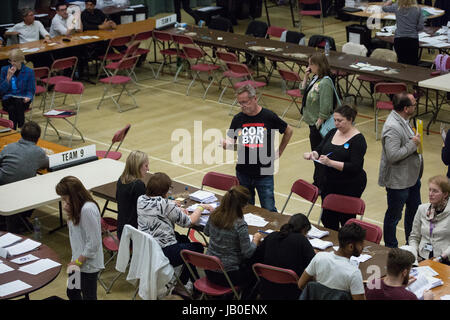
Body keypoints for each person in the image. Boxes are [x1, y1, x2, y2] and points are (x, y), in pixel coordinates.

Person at [222, 84, 293, 212]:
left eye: (245, 102)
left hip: (264, 173)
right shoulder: (238, 119)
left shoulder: (268, 116)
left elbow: (288, 130)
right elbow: (231, 141)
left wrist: (280, 152)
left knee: (269, 209)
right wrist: (227, 145)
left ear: (254, 99)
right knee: (246, 209)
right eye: (240, 103)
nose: (242, 105)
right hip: (243, 172)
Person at [137, 172, 213, 287]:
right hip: (163, 251)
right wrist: (201, 207)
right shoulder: (165, 205)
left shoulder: (141, 199)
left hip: (147, 247)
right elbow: (189, 222)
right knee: (197, 248)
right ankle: (181, 283)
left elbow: (157, 205)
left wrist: (171, 204)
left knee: (184, 239)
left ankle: (192, 280)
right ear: (164, 191)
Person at [303, 105, 367, 230]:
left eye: (340, 121)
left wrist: (331, 163)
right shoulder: (332, 132)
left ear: (350, 120)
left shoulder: (358, 140)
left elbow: (355, 166)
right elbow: (320, 149)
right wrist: (313, 154)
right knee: (327, 218)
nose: (336, 123)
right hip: (329, 182)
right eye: (335, 120)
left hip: (348, 185)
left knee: (345, 219)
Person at [379, 92, 422, 248]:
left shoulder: (403, 119)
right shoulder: (392, 127)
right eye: (413, 105)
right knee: (394, 216)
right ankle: (391, 247)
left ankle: (411, 244)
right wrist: (413, 144)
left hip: (411, 178)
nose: (415, 107)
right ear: (406, 108)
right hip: (398, 181)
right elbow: (392, 155)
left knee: (414, 213)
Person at [203, 185, 263, 298]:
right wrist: (255, 240)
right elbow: (248, 253)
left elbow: (206, 232)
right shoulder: (240, 224)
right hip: (229, 275)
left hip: (209, 270)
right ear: (243, 205)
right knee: (256, 271)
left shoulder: (215, 214)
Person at [55, 176, 104, 300]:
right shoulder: (76, 208)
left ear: (74, 195)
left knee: (89, 296)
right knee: (72, 293)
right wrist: (69, 214)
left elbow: (94, 242)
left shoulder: (87, 209)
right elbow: (75, 232)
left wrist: (78, 262)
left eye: (65, 198)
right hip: (76, 261)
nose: (64, 202)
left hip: (87, 265)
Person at [251, 213, 315, 300]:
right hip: (291, 292)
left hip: (266, 289)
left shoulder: (272, 235)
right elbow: (313, 265)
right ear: (304, 229)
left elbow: (256, 258)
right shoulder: (301, 240)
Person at [0, 121, 48, 233]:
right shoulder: (38, 152)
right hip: (23, 192)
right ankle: (20, 218)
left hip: (3, 187)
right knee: (41, 187)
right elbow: (47, 164)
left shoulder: (9, 148)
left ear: (21, 134)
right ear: (37, 138)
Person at [297, 222, 366, 300]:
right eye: (361, 244)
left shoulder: (319, 257)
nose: (363, 247)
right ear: (350, 247)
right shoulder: (354, 273)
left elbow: (301, 284)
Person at [300, 52, 335, 188]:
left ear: (318, 65)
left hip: (319, 125)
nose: (309, 67)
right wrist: (306, 76)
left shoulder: (325, 82)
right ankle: (318, 180)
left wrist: (318, 124)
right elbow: (303, 91)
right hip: (312, 123)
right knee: (315, 153)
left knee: (319, 154)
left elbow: (326, 106)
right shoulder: (315, 78)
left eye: (311, 64)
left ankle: (321, 183)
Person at [408, 175, 450, 265]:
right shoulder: (422, 209)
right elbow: (414, 237)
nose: (430, 194)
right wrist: (413, 254)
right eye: (430, 190)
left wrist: (441, 257)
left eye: (435, 191)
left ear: (445, 194)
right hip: (422, 258)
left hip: (445, 259)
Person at [366, 248, 434, 300]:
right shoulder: (409, 297)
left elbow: (389, 291)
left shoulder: (373, 284)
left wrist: (402, 286)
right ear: (404, 272)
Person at [116, 150, 148, 240]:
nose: (148, 169)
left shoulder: (121, 180)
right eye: (146, 166)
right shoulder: (138, 185)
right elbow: (145, 211)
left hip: (122, 230)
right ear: (138, 167)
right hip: (134, 235)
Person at [0, 49, 35, 130]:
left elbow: (31, 89)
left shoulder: (29, 72)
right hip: (8, 99)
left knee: (14, 106)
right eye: (10, 61)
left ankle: (12, 130)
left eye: (15, 61)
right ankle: (22, 125)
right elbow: (1, 91)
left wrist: (29, 97)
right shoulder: (4, 70)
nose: (12, 63)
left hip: (22, 100)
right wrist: (8, 78)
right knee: (15, 102)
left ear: (21, 61)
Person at [382, 0, 424, 65]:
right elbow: (420, 27)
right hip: (412, 39)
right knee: (413, 63)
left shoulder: (397, 7)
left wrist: (390, 1)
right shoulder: (418, 9)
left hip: (399, 39)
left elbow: (384, 8)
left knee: (400, 62)